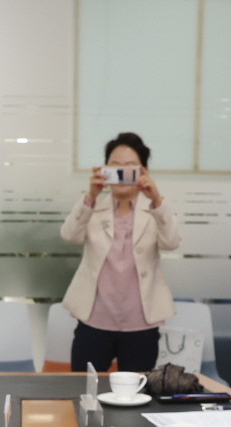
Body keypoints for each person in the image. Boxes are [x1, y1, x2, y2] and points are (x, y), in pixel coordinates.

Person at [59, 132, 181, 373]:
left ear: (143, 172)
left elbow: (172, 242)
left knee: (136, 397)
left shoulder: (155, 208)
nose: (122, 173)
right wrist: (91, 196)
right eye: (115, 166)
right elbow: (69, 235)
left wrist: (155, 198)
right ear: (104, 170)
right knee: (85, 393)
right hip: (94, 320)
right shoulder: (93, 206)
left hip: (141, 323)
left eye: (130, 167)